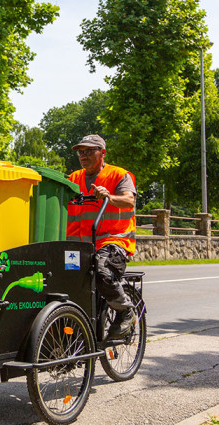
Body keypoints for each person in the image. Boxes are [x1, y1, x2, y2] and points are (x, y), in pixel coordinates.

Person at [66, 134, 137, 339]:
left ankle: (125, 311)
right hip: (79, 244)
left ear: (102, 153)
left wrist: (109, 196)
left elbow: (128, 201)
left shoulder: (119, 175)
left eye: (89, 151)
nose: (83, 155)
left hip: (113, 240)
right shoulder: (73, 178)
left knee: (102, 271)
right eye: (81, 152)